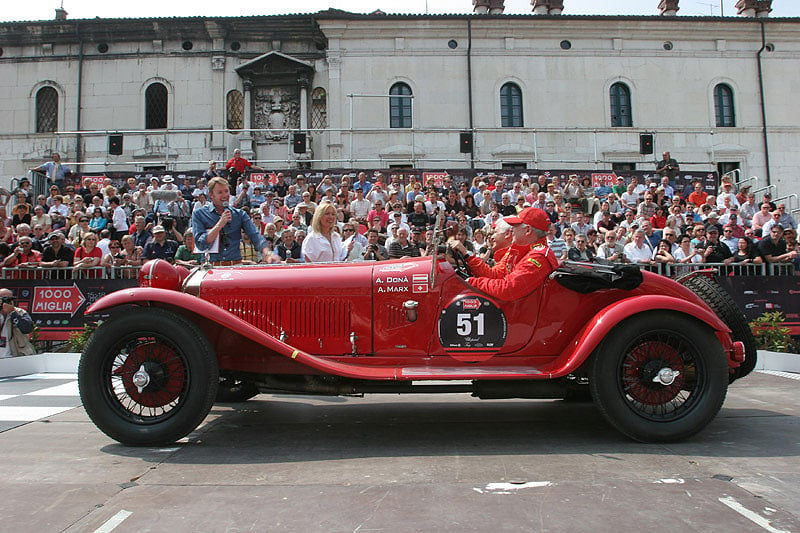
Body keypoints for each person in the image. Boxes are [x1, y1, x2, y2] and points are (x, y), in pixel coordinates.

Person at [191, 177, 269, 266]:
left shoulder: (239, 214)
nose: (225, 195)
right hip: (211, 267)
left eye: (226, 191)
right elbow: (201, 244)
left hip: (235, 265)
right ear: (211, 195)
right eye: (220, 192)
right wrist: (220, 224)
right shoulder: (199, 214)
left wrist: (267, 252)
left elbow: (255, 235)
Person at [0, 289, 35, 358]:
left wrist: (13, 313)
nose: (8, 302)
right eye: (4, 299)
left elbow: (27, 329)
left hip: (14, 356)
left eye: (10, 299)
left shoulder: (20, 312)